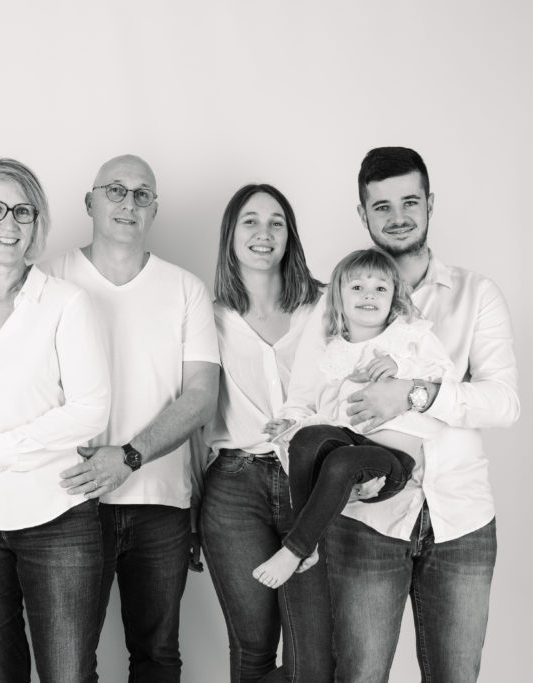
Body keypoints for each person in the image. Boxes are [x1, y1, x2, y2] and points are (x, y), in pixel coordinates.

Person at [283, 146, 519, 682]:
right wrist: (330, 462)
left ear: (431, 204)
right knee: (361, 676)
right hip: (367, 521)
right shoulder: (338, 301)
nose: (397, 217)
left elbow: (504, 403)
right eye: (381, 206)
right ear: (362, 214)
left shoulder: (475, 295)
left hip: (460, 518)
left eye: (410, 201)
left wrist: (414, 393)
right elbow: (299, 406)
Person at [45, 154, 220, 682]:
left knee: (158, 656)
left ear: (155, 209)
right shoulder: (47, 279)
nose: (129, 203)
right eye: (116, 191)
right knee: (71, 664)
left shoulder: (186, 289)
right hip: (70, 503)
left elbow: (201, 397)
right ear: (90, 202)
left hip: (160, 505)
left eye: (142, 194)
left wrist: (129, 457)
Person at [0, 157, 110, 683]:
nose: (9, 223)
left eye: (23, 211)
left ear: (36, 224)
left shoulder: (66, 304)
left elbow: (89, 409)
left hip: (56, 517)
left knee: (68, 675)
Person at [197, 184, 335, 683]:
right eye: (250, 222)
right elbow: (194, 412)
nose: (264, 233)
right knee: (253, 649)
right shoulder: (206, 316)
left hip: (313, 485)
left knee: (315, 662)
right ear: (230, 237)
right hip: (234, 489)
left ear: (290, 236)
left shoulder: (327, 307)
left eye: (276, 222)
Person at [255, 248, 454, 589]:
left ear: (394, 298)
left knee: (343, 460)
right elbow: (332, 414)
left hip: (394, 463)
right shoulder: (336, 353)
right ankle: (307, 543)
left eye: (380, 288)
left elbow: (445, 378)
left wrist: (401, 368)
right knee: (307, 439)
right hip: (354, 447)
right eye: (357, 288)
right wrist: (295, 425)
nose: (368, 295)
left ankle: (294, 548)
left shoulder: (411, 337)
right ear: (339, 299)